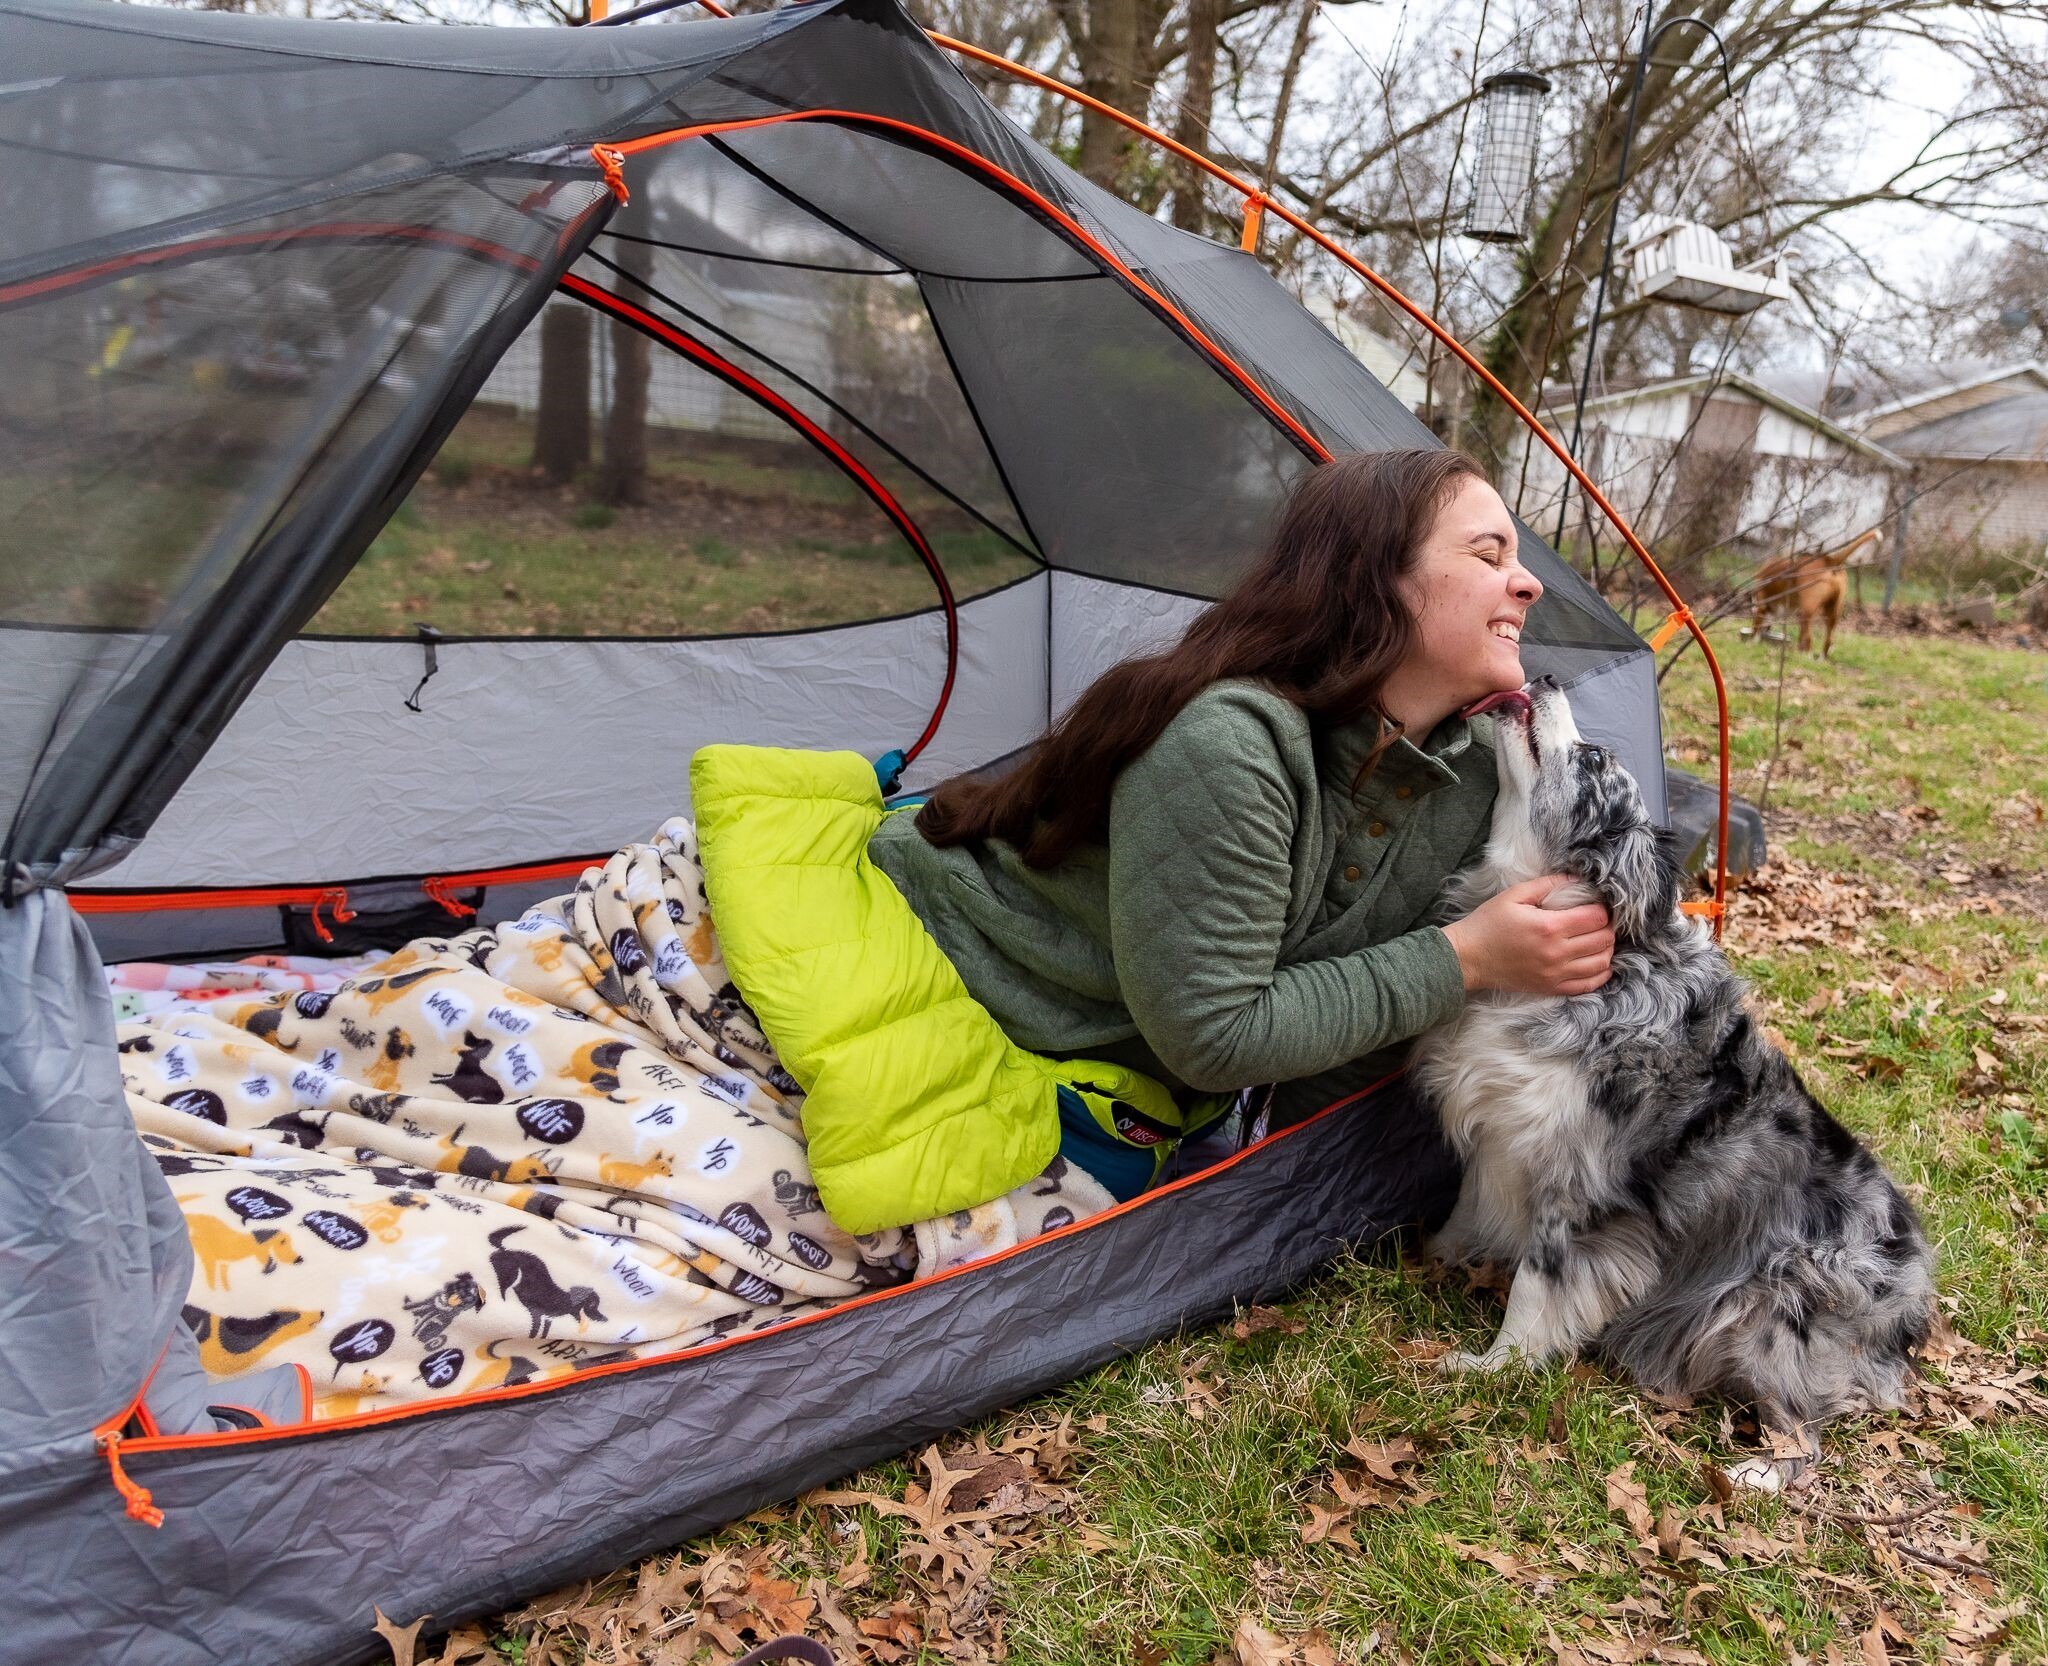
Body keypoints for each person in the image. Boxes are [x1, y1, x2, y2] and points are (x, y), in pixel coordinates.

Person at [865, 447, 1615, 1136]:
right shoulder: (1230, 743)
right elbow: (1215, 1037)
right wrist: (1468, 957)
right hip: (927, 972)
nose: (1530, 583)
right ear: (1374, 578)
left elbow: (1357, 1043)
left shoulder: (1475, 771)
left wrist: (1302, 1192)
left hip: (1122, 1080)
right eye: (1488, 554)